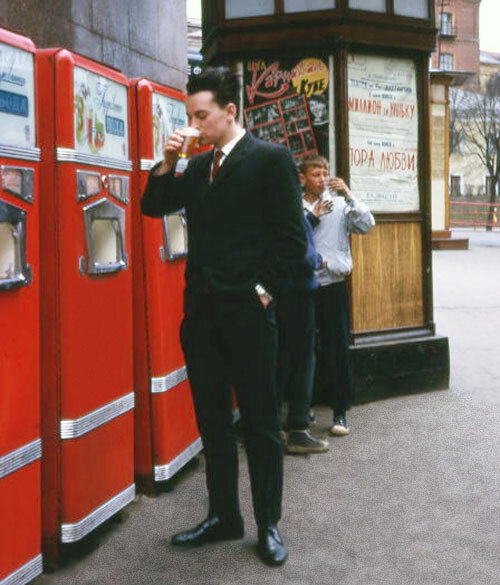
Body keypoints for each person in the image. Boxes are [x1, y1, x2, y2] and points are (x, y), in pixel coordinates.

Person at [141, 67, 307, 566]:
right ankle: (223, 516)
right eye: (188, 115)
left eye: (201, 115)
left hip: (250, 314)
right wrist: (168, 159)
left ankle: (268, 525)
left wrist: (263, 292)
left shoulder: (272, 160)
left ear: (230, 111)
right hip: (202, 316)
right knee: (212, 423)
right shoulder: (194, 167)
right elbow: (152, 205)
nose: (193, 123)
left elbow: (292, 244)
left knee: (259, 424)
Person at [300, 155, 375, 436]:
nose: (322, 178)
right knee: (303, 349)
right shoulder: (296, 206)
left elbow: (367, 225)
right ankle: (302, 408)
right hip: (303, 286)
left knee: (336, 347)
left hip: (333, 284)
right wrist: (312, 216)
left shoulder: (341, 204)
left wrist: (349, 194)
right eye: (315, 174)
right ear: (303, 178)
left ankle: (340, 412)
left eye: (325, 173)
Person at [277, 199, 332, 455]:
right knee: (303, 360)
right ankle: (298, 428)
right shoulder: (290, 209)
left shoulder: (265, 205)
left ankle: (273, 425)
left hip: (274, 294)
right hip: (298, 294)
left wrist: (311, 217)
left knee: (280, 358)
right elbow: (304, 255)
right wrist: (319, 259)